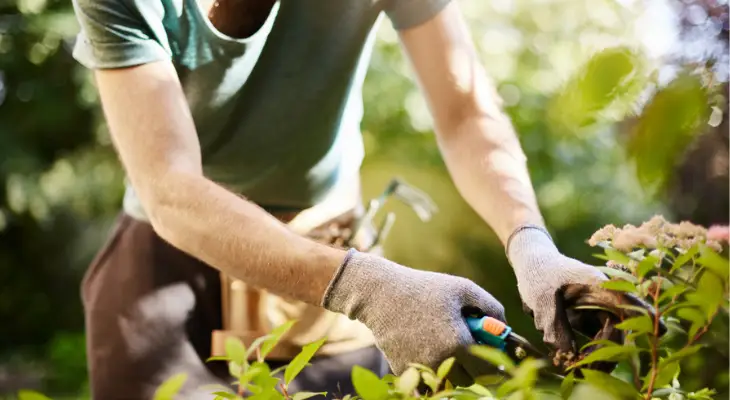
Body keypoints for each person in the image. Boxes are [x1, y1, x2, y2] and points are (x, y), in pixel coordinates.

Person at [70, 0, 657, 398]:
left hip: (330, 246)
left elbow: (464, 109)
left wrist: (532, 247)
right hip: (169, 266)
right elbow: (170, 189)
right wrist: (367, 287)